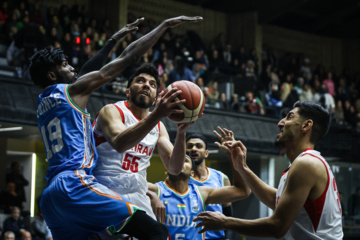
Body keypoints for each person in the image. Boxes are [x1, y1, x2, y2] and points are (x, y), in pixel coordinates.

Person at [29, 16, 203, 240]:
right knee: (157, 233)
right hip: (77, 183)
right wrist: (164, 26)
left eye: (152, 83)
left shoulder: (45, 101)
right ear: (127, 91)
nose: (72, 67)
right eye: (64, 65)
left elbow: (86, 71)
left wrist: (112, 40)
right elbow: (126, 59)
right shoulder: (91, 101)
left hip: (52, 195)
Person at [194, 101, 344, 239]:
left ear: (306, 125)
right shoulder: (307, 162)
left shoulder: (306, 163)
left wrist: (224, 222)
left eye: (289, 117)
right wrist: (242, 168)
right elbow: (276, 201)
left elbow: (277, 226)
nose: (280, 123)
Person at [92, 62, 193, 221]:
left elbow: (174, 168)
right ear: (127, 91)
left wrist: (181, 132)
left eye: (152, 84)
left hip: (136, 196)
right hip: (104, 191)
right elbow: (120, 143)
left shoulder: (159, 127)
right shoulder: (112, 110)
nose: (146, 85)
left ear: (155, 99)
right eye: (140, 81)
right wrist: (157, 115)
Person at [148, 151, 250, 240]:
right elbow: (132, 186)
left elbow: (243, 191)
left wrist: (237, 161)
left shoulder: (202, 193)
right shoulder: (155, 189)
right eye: (176, 160)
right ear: (167, 169)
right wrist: (150, 194)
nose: (180, 163)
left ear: (192, 173)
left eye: (185, 160)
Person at [186, 130, 234, 240]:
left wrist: (228, 237)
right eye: (190, 146)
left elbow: (228, 213)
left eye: (199, 146)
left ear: (206, 153)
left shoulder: (222, 178)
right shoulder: (180, 178)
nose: (194, 149)